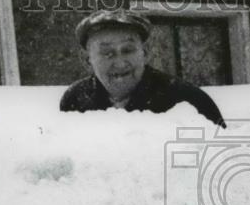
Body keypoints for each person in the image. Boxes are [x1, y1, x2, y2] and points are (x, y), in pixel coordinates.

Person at [60, 9, 226, 127]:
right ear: (87, 60)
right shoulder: (75, 100)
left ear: (145, 53)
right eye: (107, 53)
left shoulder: (187, 100)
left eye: (128, 50)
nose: (120, 62)